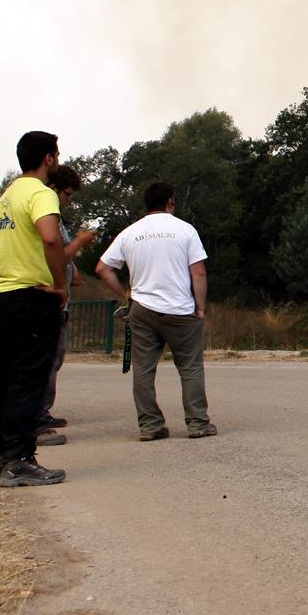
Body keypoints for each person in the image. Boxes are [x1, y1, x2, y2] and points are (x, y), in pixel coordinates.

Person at [94, 182, 215, 440]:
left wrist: (124, 295)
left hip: (143, 309)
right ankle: (198, 423)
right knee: (190, 367)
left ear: (147, 204)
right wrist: (200, 306)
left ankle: (150, 425)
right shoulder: (185, 230)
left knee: (144, 369)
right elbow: (198, 271)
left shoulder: (129, 233)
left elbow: (102, 268)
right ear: (170, 201)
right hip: (180, 310)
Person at [0, 131, 71, 487]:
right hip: (33, 294)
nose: (59, 161)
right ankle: (20, 459)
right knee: (30, 377)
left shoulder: (5, 197)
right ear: (48, 158)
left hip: (2, 293)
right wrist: (60, 284)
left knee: (3, 374)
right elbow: (50, 236)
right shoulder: (41, 193)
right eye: (57, 155)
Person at [37, 165, 96, 441]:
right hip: (51, 299)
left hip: (53, 295)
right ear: (56, 189)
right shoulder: (48, 211)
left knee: (52, 359)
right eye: (68, 195)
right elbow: (56, 250)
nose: (67, 201)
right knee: (48, 359)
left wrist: (72, 271)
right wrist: (81, 241)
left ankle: (40, 411)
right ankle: (37, 414)